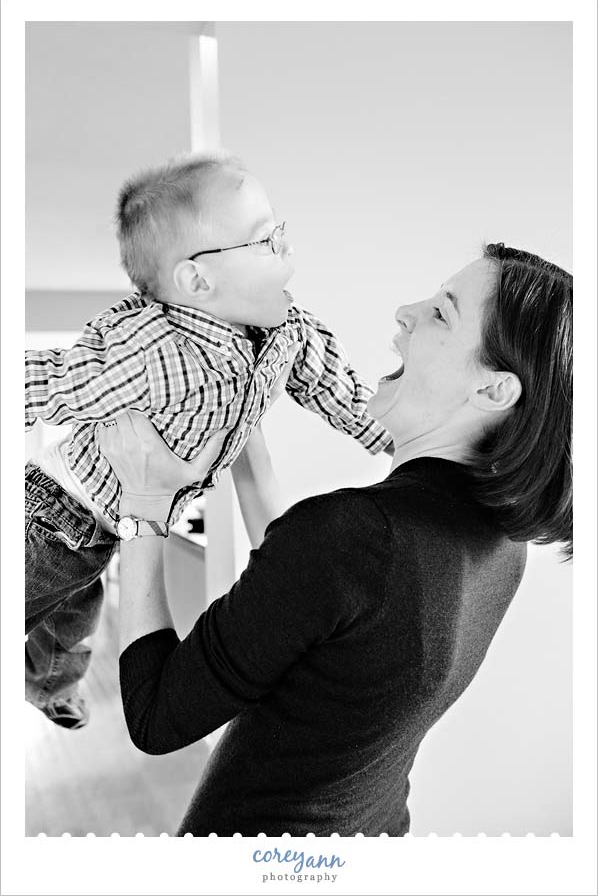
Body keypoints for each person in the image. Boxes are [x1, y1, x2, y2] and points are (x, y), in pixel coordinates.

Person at [98, 244, 572, 836]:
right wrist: (240, 422)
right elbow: (302, 591)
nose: (406, 311)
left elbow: (156, 716)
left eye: (442, 314)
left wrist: (141, 506)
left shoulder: (354, 536)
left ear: (495, 390)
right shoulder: (499, 540)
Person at [24, 151, 393, 729]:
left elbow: (340, 392)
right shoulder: (152, 347)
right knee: (42, 598)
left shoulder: (286, 333)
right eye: (264, 241)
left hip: (113, 524)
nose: (287, 251)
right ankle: (49, 679)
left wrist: (408, 443)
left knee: (72, 617)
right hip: (59, 513)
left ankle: (50, 685)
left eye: (280, 232)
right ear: (197, 280)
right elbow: (55, 380)